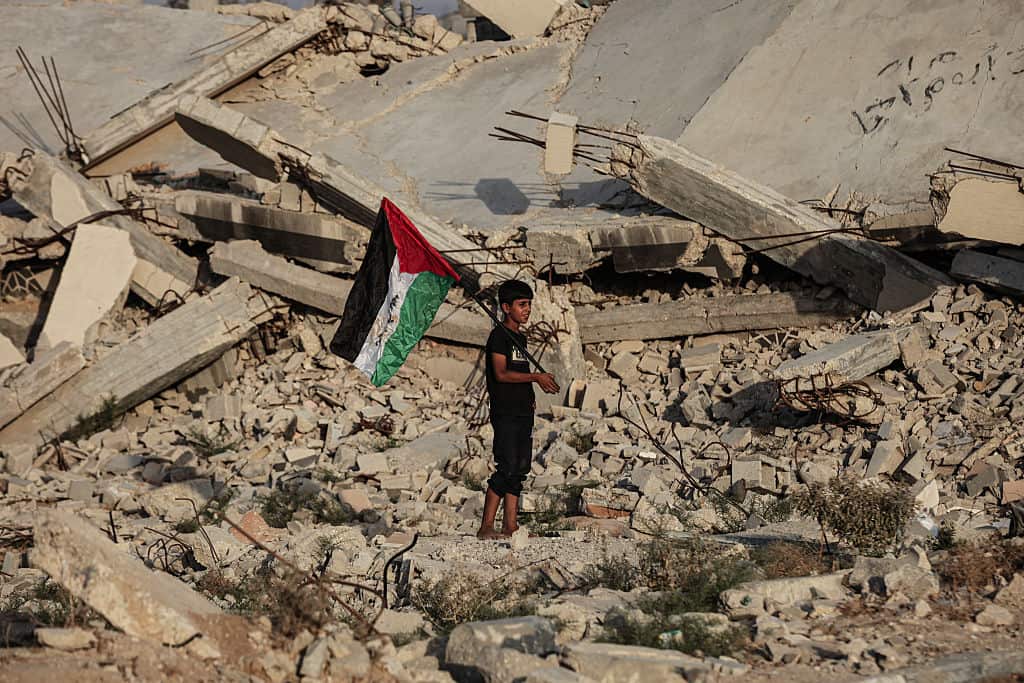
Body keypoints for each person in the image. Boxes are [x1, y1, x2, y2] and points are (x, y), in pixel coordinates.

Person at [477, 279, 559, 540]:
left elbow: (520, 372)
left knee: (521, 467)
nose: (527, 310)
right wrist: (536, 378)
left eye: (529, 305)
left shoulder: (519, 338)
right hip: (505, 411)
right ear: (506, 307)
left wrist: (533, 393)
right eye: (522, 305)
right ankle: (486, 526)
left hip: (523, 410)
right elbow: (501, 374)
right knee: (507, 465)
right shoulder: (498, 336)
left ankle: (510, 525)